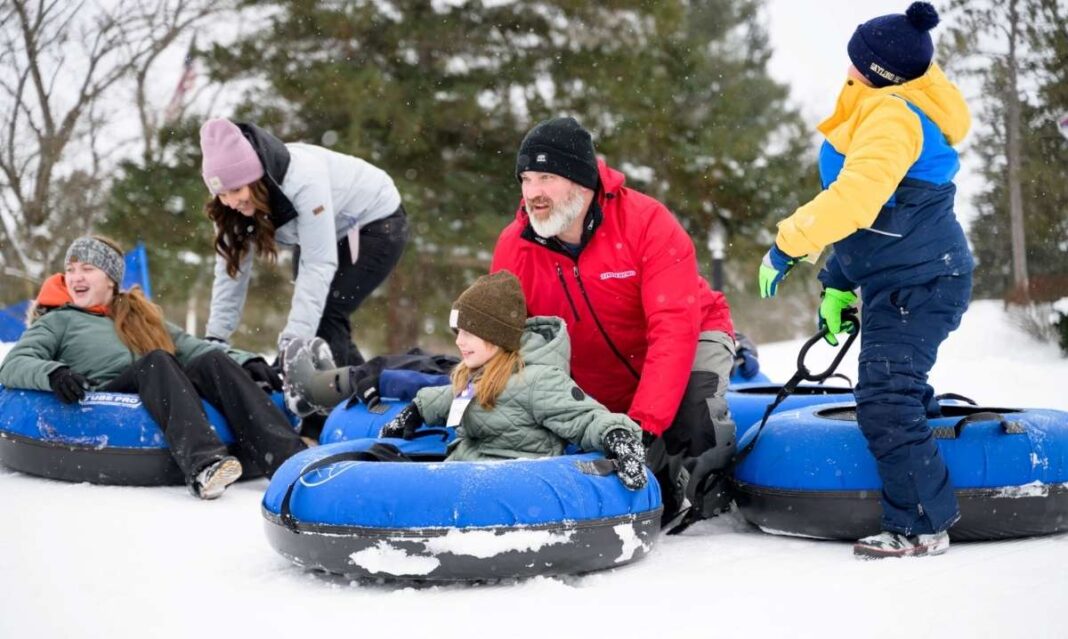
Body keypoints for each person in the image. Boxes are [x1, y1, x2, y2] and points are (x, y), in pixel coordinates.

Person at [756, 2, 972, 559]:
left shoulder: (892, 116)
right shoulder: (876, 106)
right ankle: (935, 476)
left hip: (923, 284)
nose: (847, 67)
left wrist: (788, 245)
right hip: (898, 280)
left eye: (857, 61)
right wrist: (836, 281)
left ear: (878, 72)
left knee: (884, 395)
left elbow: (855, 201)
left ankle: (923, 524)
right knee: (891, 389)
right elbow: (877, 227)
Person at [490, 116, 737, 524]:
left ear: (581, 181)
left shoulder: (647, 224)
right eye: (526, 179)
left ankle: (712, 489)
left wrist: (643, 426)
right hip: (595, 370)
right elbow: (500, 342)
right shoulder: (514, 247)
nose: (533, 193)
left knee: (692, 413)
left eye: (546, 177)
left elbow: (673, 331)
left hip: (690, 337)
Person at [0, 236, 307, 499]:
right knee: (157, 361)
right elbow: (14, 363)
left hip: (159, 382)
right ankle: (204, 464)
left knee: (209, 361)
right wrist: (54, 373)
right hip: (108, 388)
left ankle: (288, 459)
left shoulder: (140, 315)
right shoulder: (59, 320)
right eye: (70, 270)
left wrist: (245, 360)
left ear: (109, 277)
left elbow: (191, 346)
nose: (76, 277)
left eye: (87, 269)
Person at [375, 271, 647, 489]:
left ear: (495, 335)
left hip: (511, 488)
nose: (459, 342)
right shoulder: (480, 374)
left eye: (468, 333)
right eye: (457, 332)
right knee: (385, 469)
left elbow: (585, 418)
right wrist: (418, 409)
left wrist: (618, 436)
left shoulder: (540, 380)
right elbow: (457, 398)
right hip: (465, 476)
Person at [199, 117, 409, 367]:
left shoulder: (303, 182)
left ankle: (337, 398)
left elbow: (318, 265)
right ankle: (360, 388)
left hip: (376, 221)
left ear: (258, 181)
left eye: (236, 191)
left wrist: (292, 346)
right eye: (221, 193)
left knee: (326, 313)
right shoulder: (228, 209)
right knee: (319, 317)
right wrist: (216, 337)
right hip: (329, 228)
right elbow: (231, 270)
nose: (231, 201)